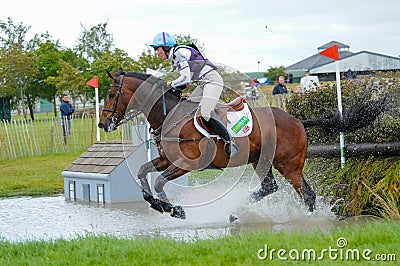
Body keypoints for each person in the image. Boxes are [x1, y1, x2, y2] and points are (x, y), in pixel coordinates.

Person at [150, 32, 239, 158]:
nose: (157, 53)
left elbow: (185, 78)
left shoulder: (178, 53)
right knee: (186, 109)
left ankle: (230, 142)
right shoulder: (176, 56)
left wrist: (168, 84)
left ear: (165, 47)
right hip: (202, 83)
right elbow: (187, 81)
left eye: (157, 49)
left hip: (211, 80)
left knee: (205, 113)